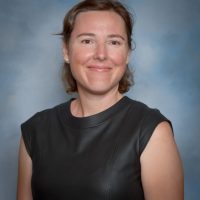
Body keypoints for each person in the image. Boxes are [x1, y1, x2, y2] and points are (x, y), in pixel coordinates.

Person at [17, 0, 184, 199]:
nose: (101, 55)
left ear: (128, 53)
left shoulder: (152, 131)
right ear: (66, 51)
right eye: (87, 41)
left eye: (114, 42)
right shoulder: (35, 130)